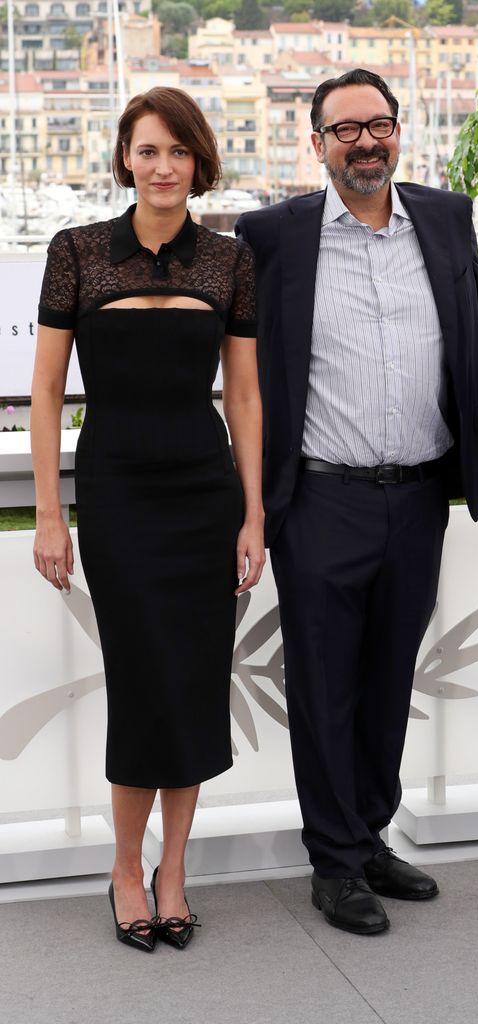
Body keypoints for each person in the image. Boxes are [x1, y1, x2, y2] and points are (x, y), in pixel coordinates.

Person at [236, 68, 478, 935]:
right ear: (317, 143)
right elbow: (237, 366)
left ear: (399, 131)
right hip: (320, 499)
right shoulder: (270, 236)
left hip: (420, 496)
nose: (365, 142)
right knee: (324, 687)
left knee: (391, 678)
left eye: (378, 125)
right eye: (345, 129)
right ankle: (335, 862)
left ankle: (370, 835)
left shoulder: (445, 218)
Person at [31, 87, 264, 951]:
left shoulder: (229, 259)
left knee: (195, 683)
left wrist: (254, 515)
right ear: (125, 160)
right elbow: (47, 393)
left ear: (199, 162)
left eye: (178, 151)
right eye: (147, 150)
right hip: (118, 498)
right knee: (141, 685)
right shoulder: (78, 252)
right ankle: (126, 869)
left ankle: (174, 873)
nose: (163, 167)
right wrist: (50, 514)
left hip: (206, 498)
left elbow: (244, 397)